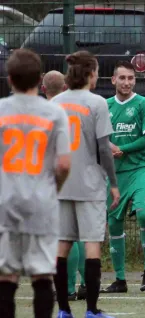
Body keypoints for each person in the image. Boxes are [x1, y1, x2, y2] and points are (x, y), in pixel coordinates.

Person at [0, 48, 71, 318]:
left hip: (6, 202)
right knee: (43, 274)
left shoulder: (0, 111)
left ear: (10, 79)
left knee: (6, 277)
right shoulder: (54, 113)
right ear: (40, 80)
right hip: (41, 202)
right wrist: (51, 188)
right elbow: (63, 163)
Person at [52, 50, 120, 318]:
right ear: (91, 74)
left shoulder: (55, 103)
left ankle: (63, 310)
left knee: (62, 245)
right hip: (90, 185)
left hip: (61, 184)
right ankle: (92, 310)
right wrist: (113, 183)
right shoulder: (98, 103)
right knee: (92, 244)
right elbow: (104, 148)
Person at [102, 61, 145, 293]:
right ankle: (120, 279)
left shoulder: (144, 104)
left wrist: (123, 149)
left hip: (140, 169)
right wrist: (107, 144)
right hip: (114, 174)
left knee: (144, 215)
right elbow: (97, 136)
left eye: (131, 78)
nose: (126, 82)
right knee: (114, 223)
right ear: (113, 80)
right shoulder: (104, 106)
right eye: (122, 78)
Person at [42, 71, 88, 302]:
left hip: (58, 173)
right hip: (82, 173)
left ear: (43, 89)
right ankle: (85, 283)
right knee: (79, 233)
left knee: (63, 233)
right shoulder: (79, 108)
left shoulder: (46, 112)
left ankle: (68, 287)